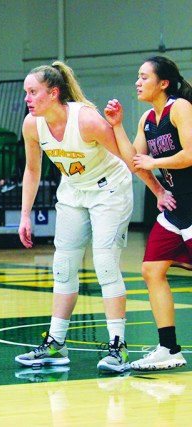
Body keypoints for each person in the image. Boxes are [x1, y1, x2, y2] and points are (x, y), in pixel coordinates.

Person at [15, 61, 175, 373]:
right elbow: (32, 170)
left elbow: (127, 158)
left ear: (54, 93)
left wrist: (157, 190)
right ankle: (56, 343)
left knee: (105, 265)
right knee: (63, 266)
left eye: (33, 92)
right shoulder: (32, 125)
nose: (27, 99)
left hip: (109, 190)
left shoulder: (86, 120)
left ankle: (118, 347)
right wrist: (25, 216)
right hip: (73, 191)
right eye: (26, 93)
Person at [104, 56, 192, 371]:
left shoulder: (180, 108)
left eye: (144, 77)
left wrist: (155, 163)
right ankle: (169, 349)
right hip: (176, 208)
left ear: (163, 83)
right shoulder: (147, 119)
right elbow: (134, 160)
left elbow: (190, 154)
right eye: (138, 77)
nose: (138, 82)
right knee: (152, 270)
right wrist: (117, 126)